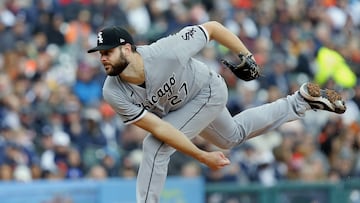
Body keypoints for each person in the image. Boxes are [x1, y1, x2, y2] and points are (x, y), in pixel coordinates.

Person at [87, 21, 346, 203]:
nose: (102, 58)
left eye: (107, 51)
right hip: (184, 108)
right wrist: (202, 155)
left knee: (154, 147)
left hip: (207, 90)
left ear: (128, 49)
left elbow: (211, 28)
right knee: (231, 136)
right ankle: (299, 102)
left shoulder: (165, 52)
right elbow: (159, 127)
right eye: (100, 54)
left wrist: (246, 54)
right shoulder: (113, 91)